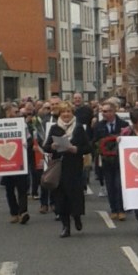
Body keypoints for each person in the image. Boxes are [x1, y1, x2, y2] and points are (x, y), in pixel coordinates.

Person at [43, 101, 91, 237]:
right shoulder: (55, 128)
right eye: (63, 112)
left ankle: (76, 217)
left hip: (74, 167)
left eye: (68, 112)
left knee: (75, 196)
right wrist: (52, 147)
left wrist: (76, 149)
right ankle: (65, 226)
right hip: (60, 166)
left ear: (72, 113)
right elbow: (46, 147)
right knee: (61, 197)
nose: (66, 114)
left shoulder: (79, 128)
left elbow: (88, 147)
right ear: (60, 113)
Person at [93, 99, 129, 220]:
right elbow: (94, 141)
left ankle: (121, 209)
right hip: (106, 160)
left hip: (120, 160)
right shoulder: (99, 126)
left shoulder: (123, 125)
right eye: (103, 111)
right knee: (110, 185)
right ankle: (113, 209)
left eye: (108, 111)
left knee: (119, 185)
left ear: (114, 111)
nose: (105, 113)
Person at [0, 104, 30, 225]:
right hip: (6, 161)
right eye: (13, 112)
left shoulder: (23, 124)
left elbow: (28, 138)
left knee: (22, 188)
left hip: (20, 159)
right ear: (7, 113)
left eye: (17, 112)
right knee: (9, 189)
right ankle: (14, 212)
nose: (16, 114)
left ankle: (23, 212)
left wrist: (26, 143)